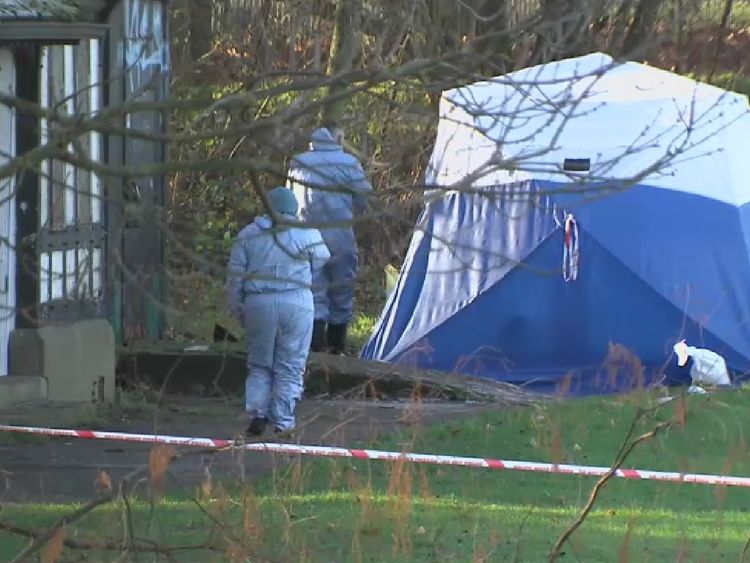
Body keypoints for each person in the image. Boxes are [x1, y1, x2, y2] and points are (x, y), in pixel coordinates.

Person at [226, 186, 330, 437]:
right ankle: (284, 421)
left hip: (259, 303)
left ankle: (257, 415)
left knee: (260, 363)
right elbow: (324, 257)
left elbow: (235, 277)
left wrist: (236, 308)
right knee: (291, 363)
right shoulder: (307, 234)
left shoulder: (248, 235)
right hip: (296, 301)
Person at [287, 126, 373, 355]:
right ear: (338, 139)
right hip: (340, 233)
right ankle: (336, 349)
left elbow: (289, 199)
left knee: (312, 289)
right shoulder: (348, 163)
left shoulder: (299, 162)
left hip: (306, 235)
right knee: (341, 287)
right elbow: (364, 197)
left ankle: (314, 348)